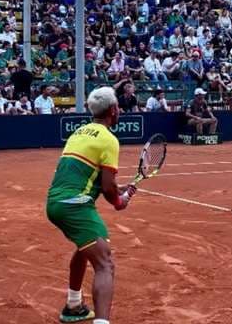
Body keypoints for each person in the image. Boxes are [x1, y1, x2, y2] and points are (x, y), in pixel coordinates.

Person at [46, 87, 136, 324]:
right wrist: (119, 201)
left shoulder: (79, 132)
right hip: (75, 205)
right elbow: (106, 188)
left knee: (87, 247)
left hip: (56, 202)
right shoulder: (109, 139)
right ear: (114, 110)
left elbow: (93, 178)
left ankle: (74, 305)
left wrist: (118, 189)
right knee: (105, 263)